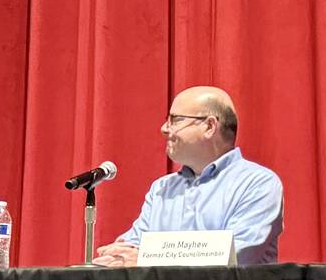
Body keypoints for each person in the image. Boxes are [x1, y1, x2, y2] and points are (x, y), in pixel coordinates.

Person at [92, 86, 283, 267]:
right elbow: (132, 246)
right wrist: (117, 256)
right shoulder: (162, 189)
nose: (164, 129)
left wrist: (147, 259)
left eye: (175, 120)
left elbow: (236, 253)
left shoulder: (258, 184)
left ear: (209, 126)